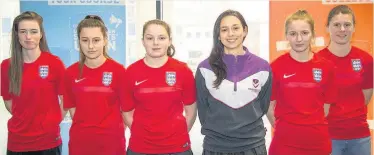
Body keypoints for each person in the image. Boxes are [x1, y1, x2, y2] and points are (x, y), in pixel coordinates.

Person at [195, 10, 271, 155]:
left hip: (253, 146)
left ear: (245, 30)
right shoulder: (205, 68)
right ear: (218, 35)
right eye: (224, 30)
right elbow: (203, 111)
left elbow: (263, 106)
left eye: (235, 28)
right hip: (216, 147)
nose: (230, 34)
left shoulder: (262, 67)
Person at [267, 10, 337, 155]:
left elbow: (326, 108)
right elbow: (269, 106)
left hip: (317, 143)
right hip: (284, 143)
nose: (299, 39)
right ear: (286, 36)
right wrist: (286, 127)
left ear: (312, 34)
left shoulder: (327, 67)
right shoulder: (275, 67)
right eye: (293, 34)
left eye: (304, 33)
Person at [121, 19, 196, 155]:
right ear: (143, 41)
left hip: (178, 148)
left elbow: (191, 112)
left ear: (169, 40)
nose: (155, 43)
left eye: (161, 38)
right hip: (140, 148)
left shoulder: (183, 71)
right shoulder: (130, 72)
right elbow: (127, 113)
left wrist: (174, 136)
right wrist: (144, 135)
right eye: (150, 38)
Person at [0, 11, 65, 155]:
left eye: (33, 31)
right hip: (17, 143)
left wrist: (51, 122)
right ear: (16, 35)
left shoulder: (54, 63)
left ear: (41, 34)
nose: (28, 37)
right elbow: (9, 102)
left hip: (48, 142)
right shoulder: (6, 66)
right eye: (23, 31)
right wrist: (26, 119)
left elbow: (65, 100)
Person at [63, 15, 126, 155]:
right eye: (85, 40)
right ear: (79, 42)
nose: (90, 46)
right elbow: (73, 110)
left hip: (112, 145)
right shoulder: (70, 73)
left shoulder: (119, 71)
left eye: (96, 40)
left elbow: (126, 111)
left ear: (105, 40)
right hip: (80, 144)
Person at [317, 5, 373, 155]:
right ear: (327, 28)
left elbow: (365, 98)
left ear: (354, 28)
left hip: (360, 137)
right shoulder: (316, 61)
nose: (342, 29)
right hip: (328, 136)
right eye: (336, 25)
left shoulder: (366, 60)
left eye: (347, 24)